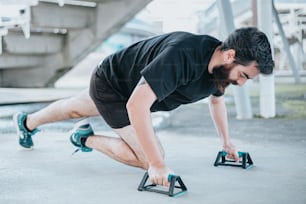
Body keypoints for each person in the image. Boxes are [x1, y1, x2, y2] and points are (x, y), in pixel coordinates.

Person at [13, 27, 274, 187]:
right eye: (244, 75)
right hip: (113, 83)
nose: (241, 83)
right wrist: (157, 163)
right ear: (230, 56)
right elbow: (138, 106)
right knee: (149, 156)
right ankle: (85, 138)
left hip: (132, 89)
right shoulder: (183, 55)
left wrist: (226, 143)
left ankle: (26, 122)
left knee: (73, 109)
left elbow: (216, 100)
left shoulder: (220, 73)